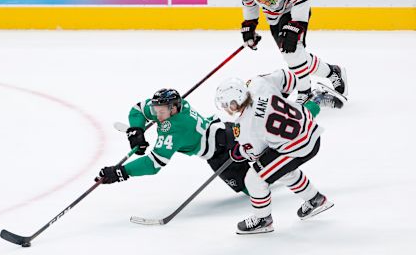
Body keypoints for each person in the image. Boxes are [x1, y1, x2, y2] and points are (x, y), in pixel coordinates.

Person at [96, 70, 343, 204]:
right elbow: (138, 109)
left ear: (173, 109)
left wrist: (121, 173)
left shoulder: (173, 129)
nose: (157, 114)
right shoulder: (171, 106)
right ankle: (313, 104)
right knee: (262, 162)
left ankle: (314, 107)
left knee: (256, 181)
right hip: (224, 131)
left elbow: (153, 165)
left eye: (161, 112)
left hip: (222, 149)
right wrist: (135, 130)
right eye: (157, 110)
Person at [214, 72, 344, 234]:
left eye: (227, 105)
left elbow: (255, 155)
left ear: (235, 102)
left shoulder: (244, 127)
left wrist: (240, 151)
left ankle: (263, 219)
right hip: (307, 126)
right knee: (279, 169)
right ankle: (315, 200)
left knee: (255, 179)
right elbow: (288, 78)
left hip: (300, 146)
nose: (227, 109)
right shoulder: (257, 84)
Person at [231, 0, 348, 103]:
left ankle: (305, 93)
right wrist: (249, 24)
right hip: (273, 16)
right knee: (294, 56)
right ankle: (332, 71)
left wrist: (296, 26)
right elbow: (249, 1)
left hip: (294, 10)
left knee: (292, 52)